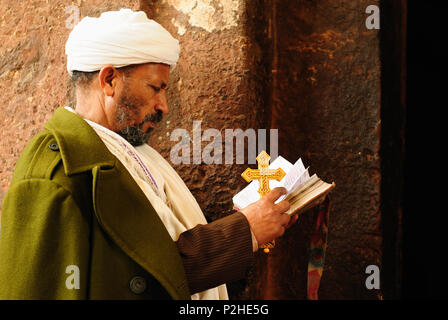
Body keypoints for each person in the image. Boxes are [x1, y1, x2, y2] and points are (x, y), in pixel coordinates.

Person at [0, 9, 296, 300]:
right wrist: (243, 233)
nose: (164, 106)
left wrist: (247, 227)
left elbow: (159, 261)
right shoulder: (53, 171)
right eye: (155, 88)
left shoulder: (134, 152)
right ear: (109, 81)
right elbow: (137, 281)